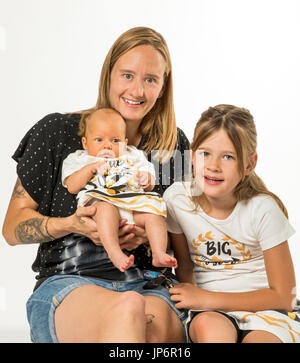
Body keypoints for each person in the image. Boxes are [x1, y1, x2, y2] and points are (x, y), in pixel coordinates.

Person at [2, 27, 189, 343]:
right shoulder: (57, 133)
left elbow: (189, 240)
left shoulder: (175, 148)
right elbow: (12, 228)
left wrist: (149, 238)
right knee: (128, 310)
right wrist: (71, 224)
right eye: (127, 75)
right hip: (70, 281)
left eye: (150, 79)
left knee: (146, 317)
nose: (137, 90)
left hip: (150, 283)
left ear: (163, 86)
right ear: (109, 75)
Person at [164, 104, 300, 343]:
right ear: (192, 154)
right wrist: (200, 302)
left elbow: (283, 296)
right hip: (209, 313)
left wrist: (206, 298)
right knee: (211, 331)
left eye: (228, 156)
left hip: (267, 310)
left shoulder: (262, 209)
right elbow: (185, 267)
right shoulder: (177, 199)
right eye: (205, 153)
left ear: (249, 164)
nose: (214, 165)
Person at [62, 107, 177, 272]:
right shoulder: (80, 158)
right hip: (101, 201)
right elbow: (72, 186)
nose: (107, 146)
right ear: (85, 143)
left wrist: (146, 179)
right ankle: (115, 253)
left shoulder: (132, 155)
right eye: (99, 140)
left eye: (115, 141)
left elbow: (150, 177)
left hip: (131, 203)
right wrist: (91, 168)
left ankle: (158, 253)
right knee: (105, 209)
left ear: (125, 142)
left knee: (153, 214)